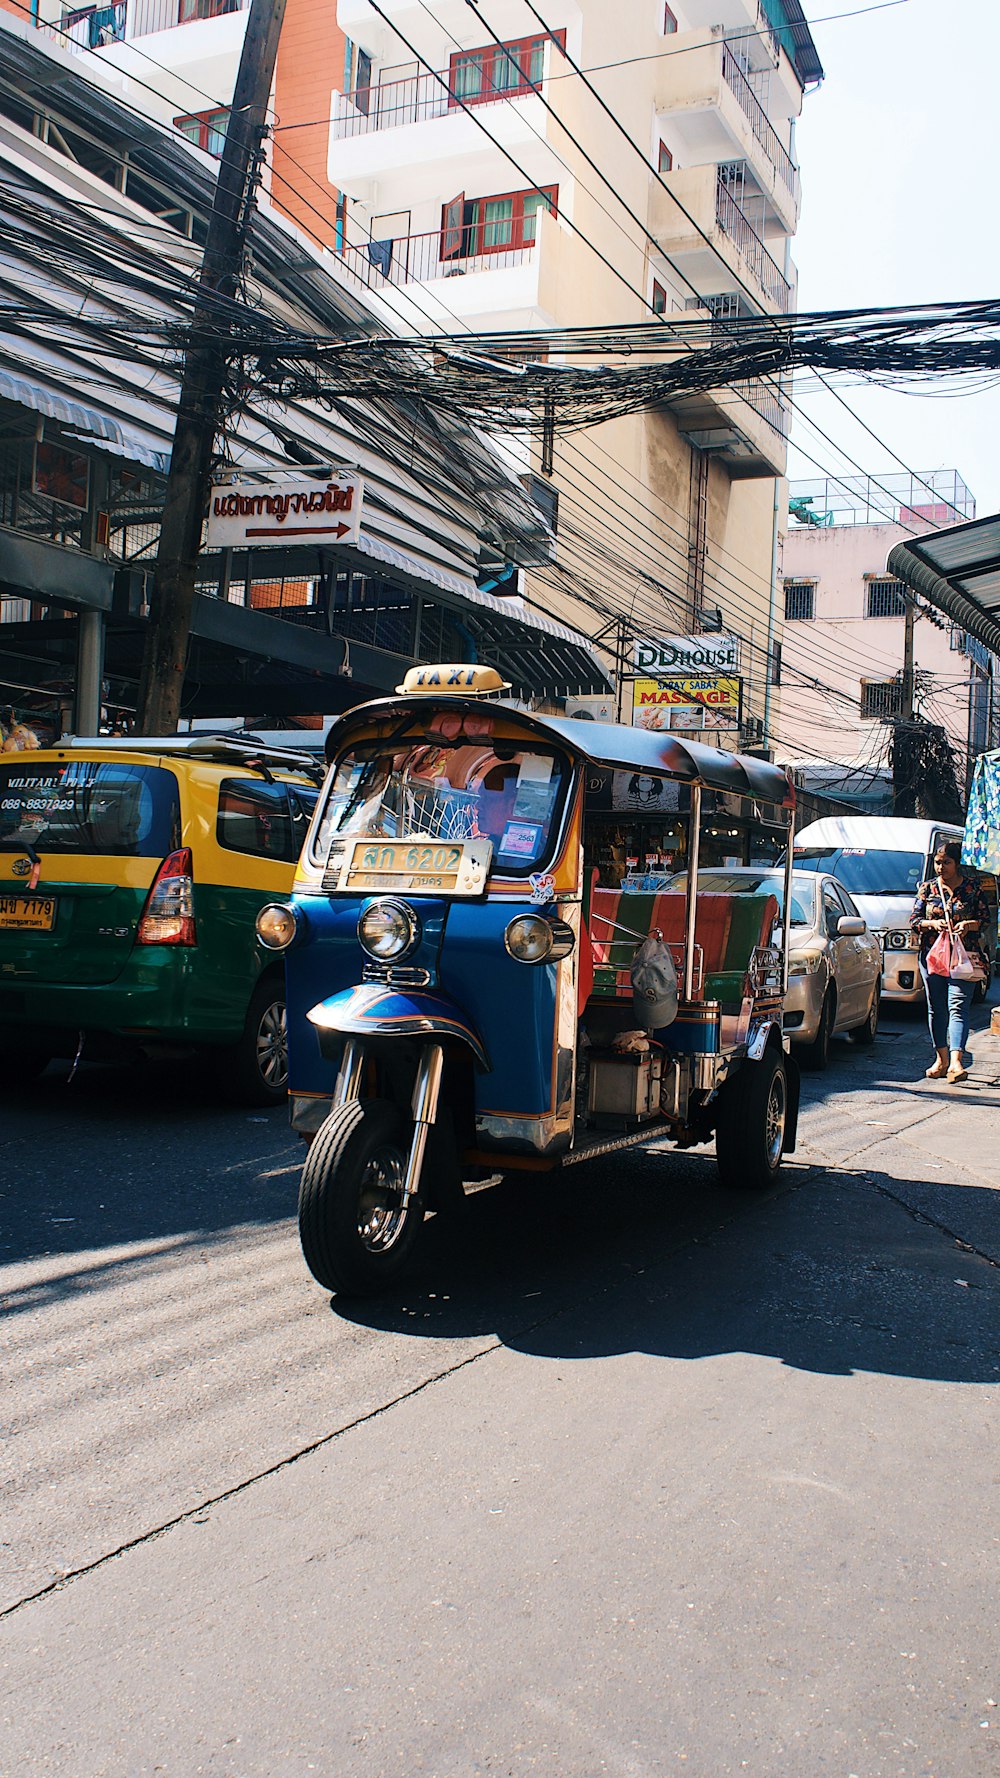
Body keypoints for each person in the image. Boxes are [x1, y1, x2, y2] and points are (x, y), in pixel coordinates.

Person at [909, 840, 990, 1083]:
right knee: (936, 1007)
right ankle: (941, 1058)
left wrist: (969, 925)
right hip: (933, 957)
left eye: (947, 862)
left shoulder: (972, 889)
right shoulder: (927, 889)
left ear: (957, 864)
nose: (941, 867)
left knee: (958, 1005)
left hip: (964, 957)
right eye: (937, 862)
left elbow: (985, 919)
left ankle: (956, 1061)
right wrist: (932, 924)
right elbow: (914, 920)